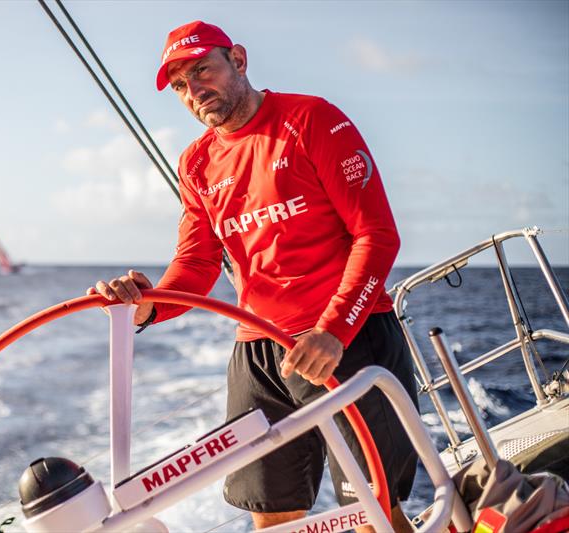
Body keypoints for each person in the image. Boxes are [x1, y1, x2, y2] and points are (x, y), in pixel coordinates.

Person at [89, 20, 419, 532]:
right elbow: (197, 263)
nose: (195, 91)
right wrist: (146, 303)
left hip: (345, 338)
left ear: (238, 60)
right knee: (272, 518)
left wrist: (334, 330)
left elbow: (376, 235)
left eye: (203, 70)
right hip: (260, 353)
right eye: (180, 85)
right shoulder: (196, 163)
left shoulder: (313, 120)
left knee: (373, 513)